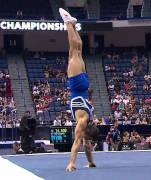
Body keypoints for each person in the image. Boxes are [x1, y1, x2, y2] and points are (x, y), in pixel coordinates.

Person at [59, 8, 97, 172]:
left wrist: (91, 162)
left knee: (78, 50)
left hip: (84, 84)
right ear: (87, 131)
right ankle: (67, 22)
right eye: (87, 137)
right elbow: (76, 144)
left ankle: (73, 25)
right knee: (74, 50)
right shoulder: (82, 123)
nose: (85, 140)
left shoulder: (90, 121)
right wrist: (72, 163)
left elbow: (86, 145)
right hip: (76, 85)